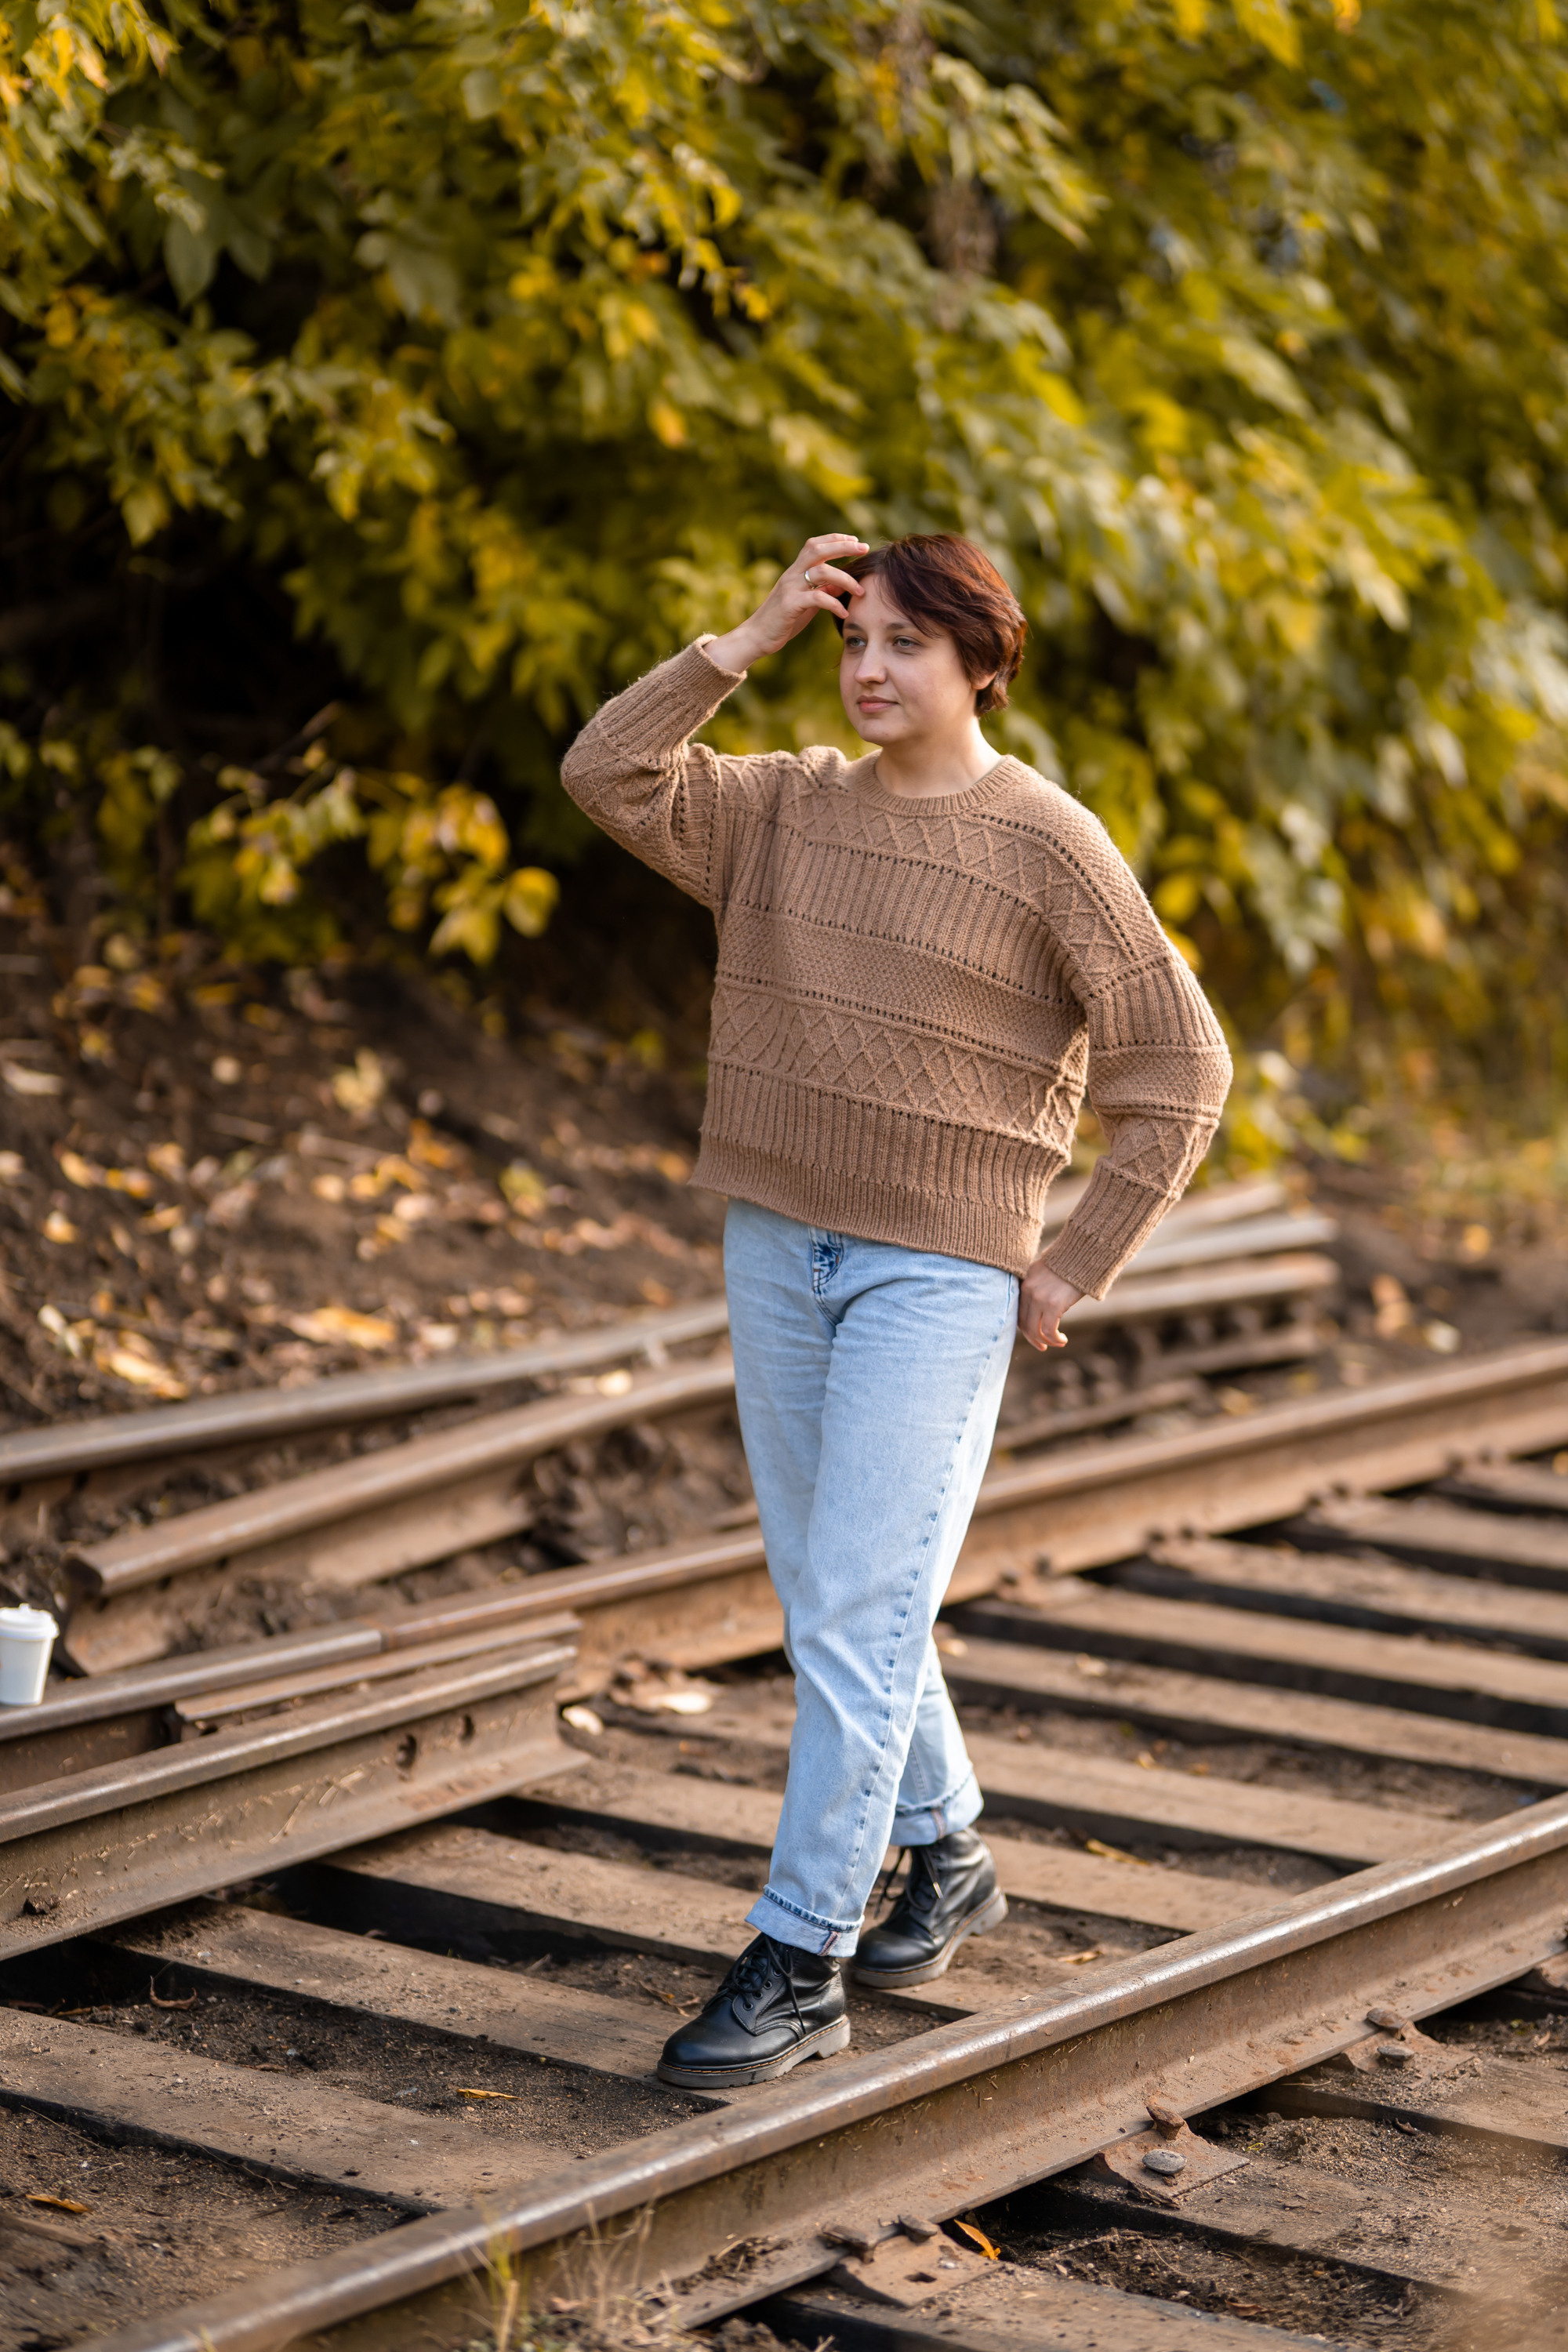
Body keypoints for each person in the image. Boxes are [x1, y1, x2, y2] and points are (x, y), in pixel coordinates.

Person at [560, 530, 1232, 2089]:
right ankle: (951, 1858)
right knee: (830, 1597)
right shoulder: (778, 808)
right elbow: (606, 772)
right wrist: (743, 636)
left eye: (906, 645)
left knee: (856, 1612)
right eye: (852, 638)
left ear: (982, 666)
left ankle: (802, 1955)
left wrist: (1075, 1264)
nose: (868, 669)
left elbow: (1179, 1069)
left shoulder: (1046, 843)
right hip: (776, 1244)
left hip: (940, 1275)